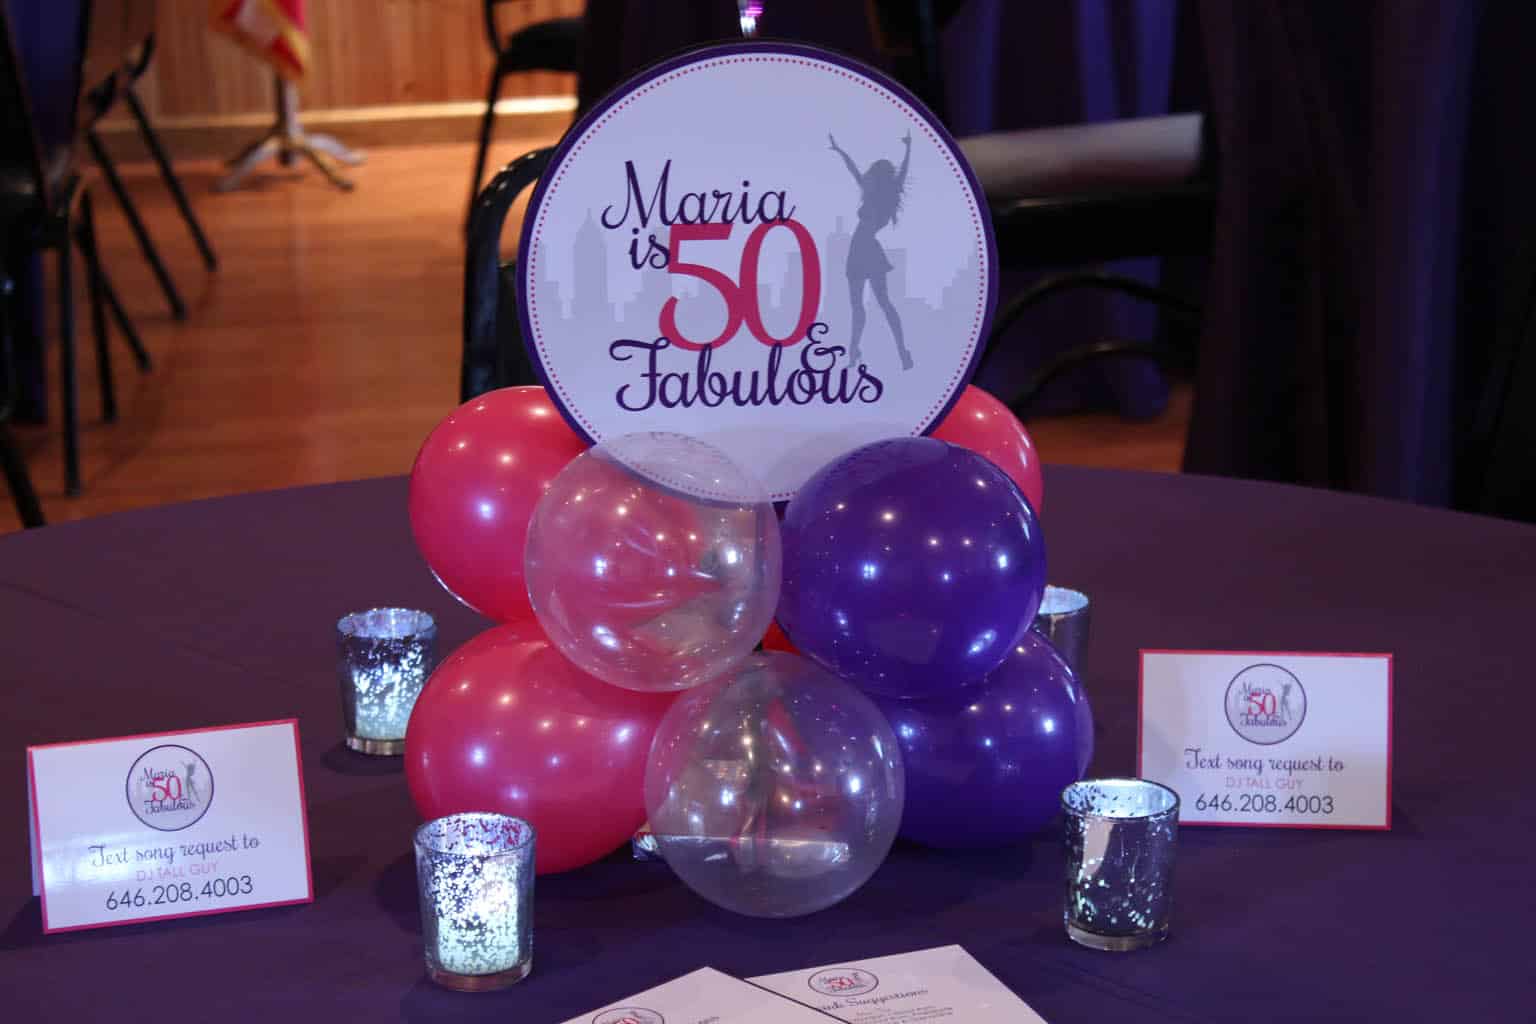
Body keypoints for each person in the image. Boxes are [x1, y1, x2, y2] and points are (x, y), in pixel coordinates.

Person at [829, 132, 913, 369]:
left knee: (866, 306)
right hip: (864, 251)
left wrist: (909, 149)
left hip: (862, 250)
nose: (870, 175)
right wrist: (840, 151)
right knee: (875, 305)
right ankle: (865, 351)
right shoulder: (879, 195)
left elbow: (900, 172)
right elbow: (853, 169)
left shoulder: (882, 196)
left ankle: (892, 351)